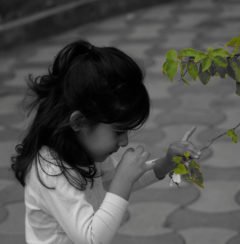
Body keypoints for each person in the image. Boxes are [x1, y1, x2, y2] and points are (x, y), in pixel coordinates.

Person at [11, 40, 201, 244]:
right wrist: (123, 180)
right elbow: (92, 238)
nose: (124, 141)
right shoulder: (50, 171)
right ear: (79, 122)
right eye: (119, 131)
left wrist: (165, 164)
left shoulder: (85, 148)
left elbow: (110, 185)